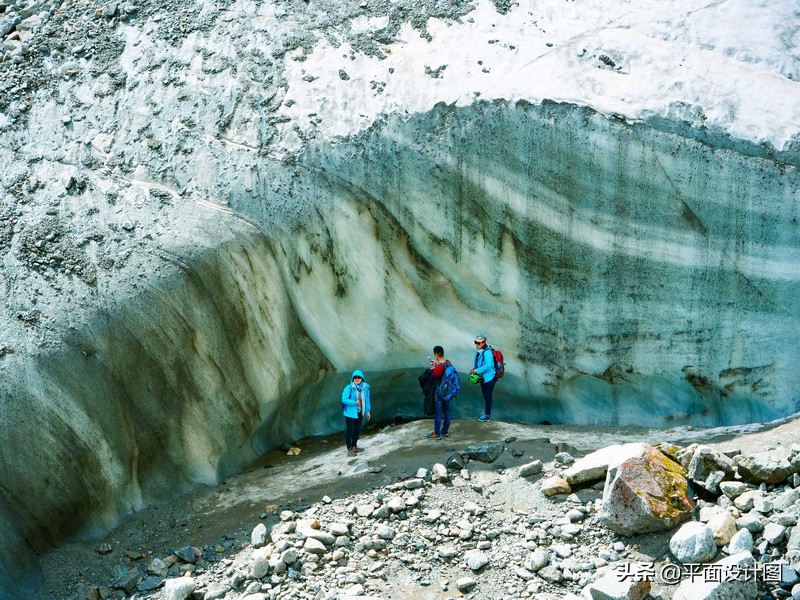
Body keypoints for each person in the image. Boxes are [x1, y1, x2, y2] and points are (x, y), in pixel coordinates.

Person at [341, 370, 371, 457]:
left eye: (359, 377)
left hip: (359, 412)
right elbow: (344, 399)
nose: (357, 379)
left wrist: (368, 411)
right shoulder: (349, 388)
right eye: (355, 377)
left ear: (362, 378)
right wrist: (355, 403)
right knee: (350, 431)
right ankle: (349, 448)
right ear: (353, 378)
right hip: (350, 413)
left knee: (357, 430)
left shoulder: (366, 387)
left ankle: (354, 446)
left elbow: (367, 399)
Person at [427, 345, 452, 441]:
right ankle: (445, 431)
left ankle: (436, 433)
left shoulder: (439, 367)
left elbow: (431, 378)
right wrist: (436, 365)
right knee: (447, 411)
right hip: (448, 391)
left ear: (436, 355)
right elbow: (443, 371)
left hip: (440, 392)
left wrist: (434, 369)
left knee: (438, 413)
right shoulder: (448, 362)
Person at [471, 332, 496, 422]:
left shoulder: (487, 352)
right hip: (483, 378)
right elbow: (480, 363)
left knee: (488, 397)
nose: (477, 344)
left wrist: (477, 371)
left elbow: (489, 365)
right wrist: (475, 369)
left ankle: (487, 416)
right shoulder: (479, 352)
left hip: (489, 378)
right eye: (476, 342)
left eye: (479, 343)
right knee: (486, 397)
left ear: (484, 342)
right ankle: (486, 414)